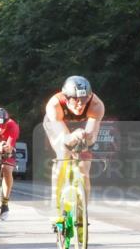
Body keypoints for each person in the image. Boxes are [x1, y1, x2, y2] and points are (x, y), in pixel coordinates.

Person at [44, 76, 106, 217]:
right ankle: (57, 204)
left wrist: (85, 138)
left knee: (84, 167)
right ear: (66, 98)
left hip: (82, 127)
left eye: (84, 100)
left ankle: (81, 211)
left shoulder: (96, 105)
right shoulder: (54, 105)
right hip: (58, 124)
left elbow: (91, 137)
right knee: (64, 154)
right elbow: (64, 138)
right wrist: (73, 137)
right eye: (75, 100)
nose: (80, 105)